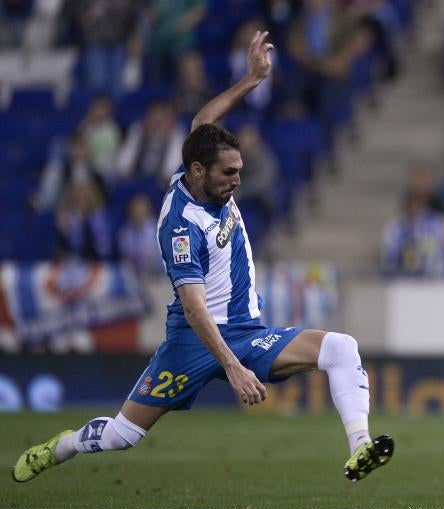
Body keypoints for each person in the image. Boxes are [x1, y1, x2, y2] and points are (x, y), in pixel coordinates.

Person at [13, 30, 393, 485]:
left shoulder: (194, 167)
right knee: (122, 435)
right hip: (193, 342)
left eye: (239, 171)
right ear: (198, 171)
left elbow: (202, 120)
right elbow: (194, 307)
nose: (237, 180)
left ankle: (359, 448)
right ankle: (60, 447)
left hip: (247, 332)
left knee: (341, 347)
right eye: (229, 173)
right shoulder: (181, 226)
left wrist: (251, 79)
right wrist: (232, 368)